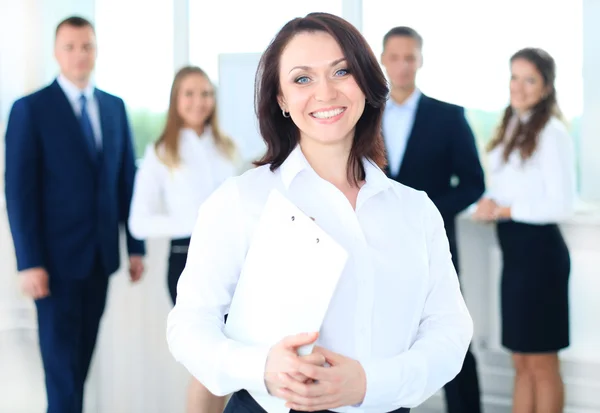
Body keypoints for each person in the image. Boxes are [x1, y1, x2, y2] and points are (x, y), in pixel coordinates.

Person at [167, 12, 473, 413]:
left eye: (341, 71)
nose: (325, 93)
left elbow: (449, 330)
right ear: (281, 99)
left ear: (365, 81)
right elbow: (188, 328)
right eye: (302, 78)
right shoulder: (240, 201)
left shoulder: (414, 210)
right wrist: (262, 367)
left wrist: (369, 383)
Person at [4, 16, 144, 413]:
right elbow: (18, 193)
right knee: (63, 374)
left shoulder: (114, 108)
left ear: (96, 50)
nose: (79, 55)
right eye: (70, 47)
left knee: (78, 368)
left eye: (87, 46)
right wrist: (29, 262)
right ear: (56, 52)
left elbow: (125, 183)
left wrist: (135, 247)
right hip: (53, 267)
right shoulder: (30, 109)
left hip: (100, 260)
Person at [380, 26, 485, 413]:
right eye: (395, 57)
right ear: (383, 60)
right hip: (374, 245)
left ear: (420, 60)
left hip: (433, 245)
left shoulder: (449, 116)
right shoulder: (363, 115)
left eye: (410, 57)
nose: (403, 65)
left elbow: (474, 182)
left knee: (451, 334)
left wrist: (426, 214)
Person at [128, 65, 239, 413]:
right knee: (206, 364)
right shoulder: (161, 152)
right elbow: (138, 222)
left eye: (206, 93)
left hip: (234, 262)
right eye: (189, 93)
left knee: (224, 365)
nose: (198, 101)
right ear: (176, 100)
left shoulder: (227, 147)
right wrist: (198, 219)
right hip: (186, 259)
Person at [473, 48, 575, 413]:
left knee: (541, 362)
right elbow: (508, 188)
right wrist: (489, 202)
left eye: (529, 79)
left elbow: (562, 204)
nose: (518, 86)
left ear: (546, 87)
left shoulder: (553, 132)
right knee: (520, 360)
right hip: (516, 258)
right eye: (514, 77)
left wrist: (505, 209)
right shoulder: (512, 126)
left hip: (542, 259)